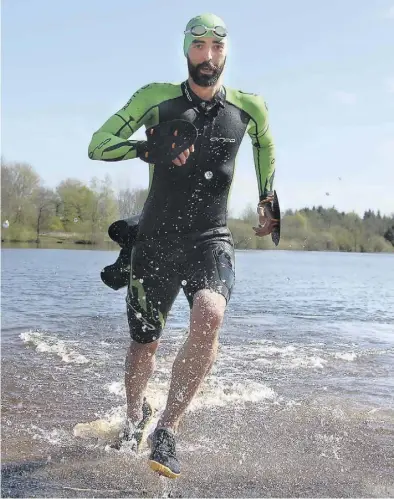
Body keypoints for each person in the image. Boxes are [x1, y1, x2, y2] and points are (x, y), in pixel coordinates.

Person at [88, 12, 278, 479]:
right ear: (186, 50)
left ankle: (168, 429)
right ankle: (134, 420)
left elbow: (265, 147)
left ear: (226, 52)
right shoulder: (158, 100)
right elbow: (98, 145)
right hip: (154, 239)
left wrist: (267, 198)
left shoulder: (249, 108)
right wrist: (143, 148)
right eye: (198, 46)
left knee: (210, 314)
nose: (207, 56)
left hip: (209, 237)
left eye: (216, 46)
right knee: (144, 345)